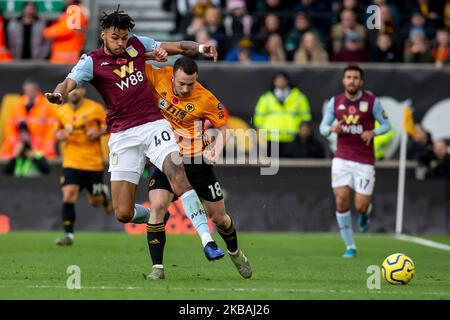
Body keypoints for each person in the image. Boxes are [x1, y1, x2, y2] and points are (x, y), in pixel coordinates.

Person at [44, 6, 225, 265]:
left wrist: (200, 48)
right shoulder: (91, 61)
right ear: (104, 34)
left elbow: (178, 48)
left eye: (124, 37)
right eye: (115, 37)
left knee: (177, 174)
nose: (120, 42)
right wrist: (59, 94)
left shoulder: (138, 45)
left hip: (153, 124)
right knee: (122, 213)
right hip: (122, 135)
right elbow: (68, 82)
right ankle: (156, 216)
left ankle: (207, 241)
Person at [143, 56, 252, 280]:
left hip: (196, 161)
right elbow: (132, 56)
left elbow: (224, 128)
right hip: (166, 157)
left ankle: (235, 253)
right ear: (172, 76)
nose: (185, 89)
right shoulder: (158, 76)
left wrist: (217, 150)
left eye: (190, 84)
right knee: (157, 208)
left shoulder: (205, 98)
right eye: (181, 83)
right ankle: (158, 268)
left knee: (219, 218)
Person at [319, 64, 391, 258]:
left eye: (355, 77)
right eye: (348, 77)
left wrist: (373, 132)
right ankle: (350, 246)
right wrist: (331, 128)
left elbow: (387, 125)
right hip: (342, 157)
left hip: (364, 160)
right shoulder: (335, 102)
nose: (352, 80)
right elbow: (322, 127)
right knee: (341, 199)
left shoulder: (372, 101)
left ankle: (365, 212)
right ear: (343, 80)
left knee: (360, 205)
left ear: (361, 81)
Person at [53, 86, 113, 245]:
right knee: (68, 194)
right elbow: (56, 131)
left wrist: (98, 133)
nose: (74, 92)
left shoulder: (95, 108)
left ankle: (104, 196)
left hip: (92, 162)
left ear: (83, 91)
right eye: (71, 90)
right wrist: (59, 135)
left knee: (96, 202)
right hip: (71, 160)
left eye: (77, 89)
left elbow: (111, 124)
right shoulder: (61, 111)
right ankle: (69, 235)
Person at [253, 71, 311, 157]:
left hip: (292, 138)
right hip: (271, 138)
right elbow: (258, 118)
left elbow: (306, 118)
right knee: (271, 167)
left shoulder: (299, 97)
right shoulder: (266, 98)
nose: (280, 82)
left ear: (287, 81)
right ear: (274, 82)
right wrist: (261, 135)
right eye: (278, 79)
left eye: (282, 79)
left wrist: (303, 131)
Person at [0, 79, 58, 160]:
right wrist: (14, 142)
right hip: (19, 145)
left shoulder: (46, 106)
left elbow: (52, 127)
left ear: (37, 90)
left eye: (32, 90)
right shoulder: (18, 105)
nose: (29, 93)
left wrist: (47, 144)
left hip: (39, 145)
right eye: (27, 91)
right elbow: (9, 125)